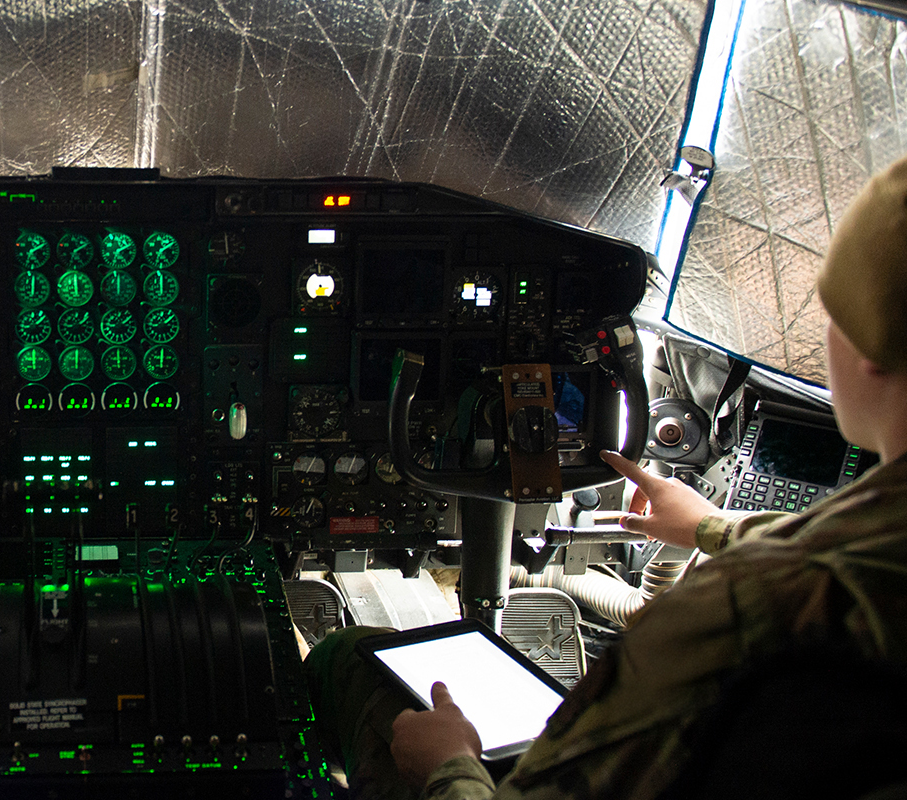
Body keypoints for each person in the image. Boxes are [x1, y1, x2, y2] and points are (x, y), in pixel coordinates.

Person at [306, 155, 907, 799]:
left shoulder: (749, 608)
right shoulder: (834, 571)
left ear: (871, 351)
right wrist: (711, 527)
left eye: (832, 316)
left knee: (345, 659)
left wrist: (448, 764)